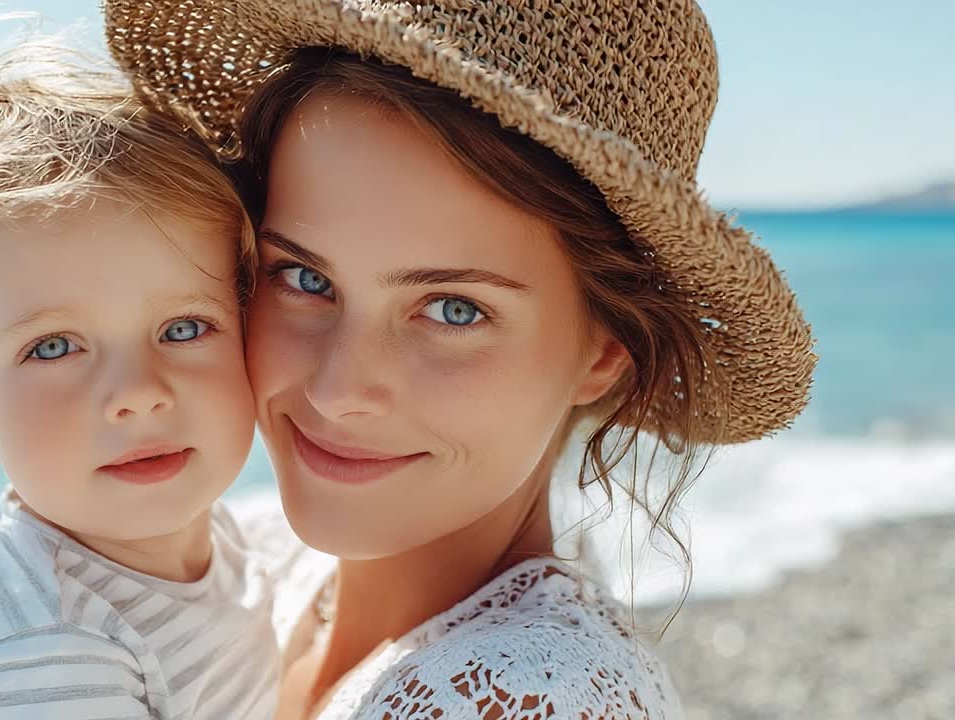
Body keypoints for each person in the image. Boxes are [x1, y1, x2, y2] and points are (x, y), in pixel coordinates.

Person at [105, 1, 817, 718]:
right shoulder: (245, 573)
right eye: (306, 278)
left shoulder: (524, 698)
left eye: (454, 310)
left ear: (603, 355)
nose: (339, 388)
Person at [0, 41, 277, 719]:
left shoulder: (223, 538)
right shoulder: (37, 657)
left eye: (184, 328)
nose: (138, 392)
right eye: (53, 348)